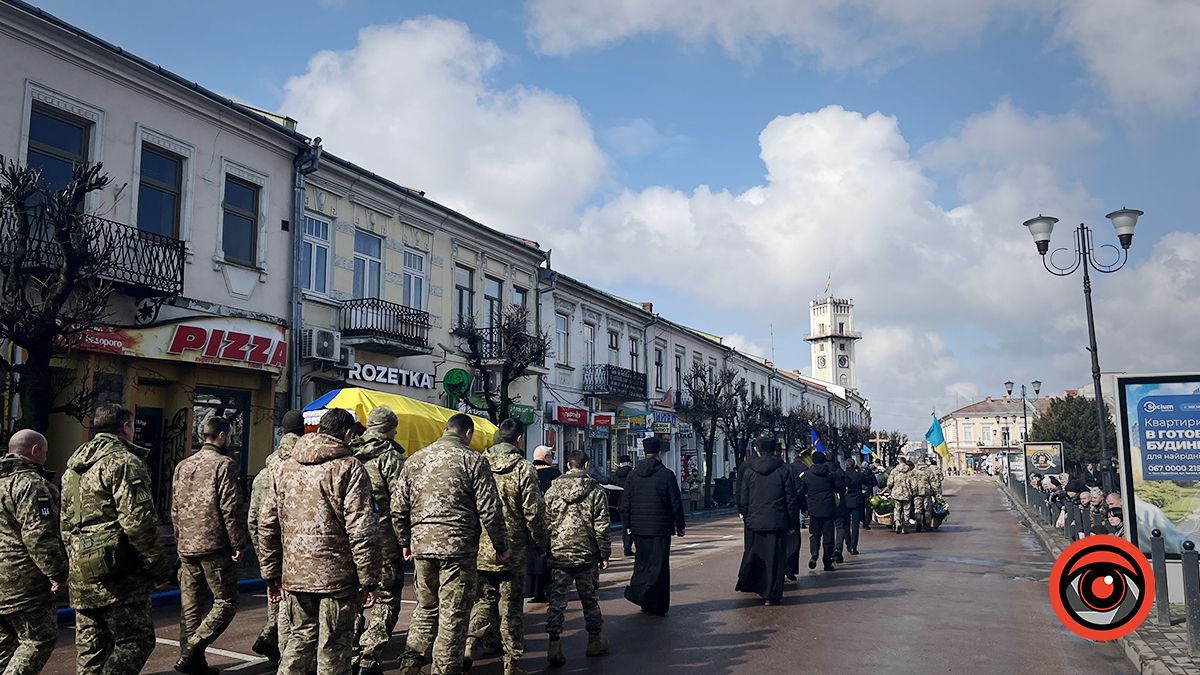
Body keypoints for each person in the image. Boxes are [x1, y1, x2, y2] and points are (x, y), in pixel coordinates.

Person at [259, 408, 381, 674]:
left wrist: (271, 574)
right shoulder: (348, 468)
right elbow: (361, 528)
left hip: (295, 573)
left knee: (300, 638)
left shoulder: (284, 468)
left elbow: (267, 523)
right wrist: (369, 579)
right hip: (336, 577)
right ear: (347, 434)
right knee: (334, 646)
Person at [393, 414, 509, 675]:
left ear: (446, 430)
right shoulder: (473, 460)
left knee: (426, 607)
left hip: (422, 546)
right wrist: (501, 545)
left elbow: (399, 507)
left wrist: (405, 541)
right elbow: (490, 509)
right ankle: (444, 670)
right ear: (467, 434)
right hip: (458, 548)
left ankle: (410, 663)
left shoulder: (415, 460)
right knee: (453, 615)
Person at [61, 404, 173, 675]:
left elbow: (65, 523)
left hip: (81, 570)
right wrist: (158, 568)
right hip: (120, 575)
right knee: (136, 641)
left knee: (91, 651)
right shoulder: (124, 462)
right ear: (125, 427)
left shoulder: (73, 469)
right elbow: (139, 523)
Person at [466, 419, 547, 675]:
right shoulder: (524, 468)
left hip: (480, 544)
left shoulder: (478, 463)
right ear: (519, 440)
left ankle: (470, 642)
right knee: (511, 607)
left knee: (483, 600)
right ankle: (511, 662)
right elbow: (533, 511)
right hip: (513, 548)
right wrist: (540, 543)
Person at [171, 416, 249, 675]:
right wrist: (238, 542)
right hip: (214, 545)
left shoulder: (183, 465)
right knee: (226, 602)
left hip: (187, 545)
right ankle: (193, 649)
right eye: (231, 436)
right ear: (223, 436)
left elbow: (175, 509)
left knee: (191, 606)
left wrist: (179, 538)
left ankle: (192, 659)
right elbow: (230, 507)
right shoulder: (224, 464)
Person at [0, 430, 67, 675]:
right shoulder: (31, 485)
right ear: (36, 451)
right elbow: (40, 537)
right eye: (45, 453)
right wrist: (58, 574)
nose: (46, 459)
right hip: (22, 581)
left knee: (5, 645)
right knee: (38, 639)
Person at [351, 407, 407, 675]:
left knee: (354, 597)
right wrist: (405, 539)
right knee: (386, 597)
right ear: (390, 428)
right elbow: (400, 504)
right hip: (383, 540)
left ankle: (349, 651)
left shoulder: (348, 454)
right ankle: (369, 657)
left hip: (351, 539)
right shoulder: (391, 458)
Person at [544, 451, 612, 666]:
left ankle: (554, 643)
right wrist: (604, 553)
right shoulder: (596, 490)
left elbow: (545, 520)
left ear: (567, 465)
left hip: (560, 552)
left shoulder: (553, 489)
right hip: (586, 554)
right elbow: (601, 526)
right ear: (587, 465)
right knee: (589, 598)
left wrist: (545, 546)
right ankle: (594, 640)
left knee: (557, 600)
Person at [247, 409, 304, 663]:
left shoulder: (265, 471)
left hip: (270, 543)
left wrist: (262, 552)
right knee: (294, 609)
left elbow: (253, 518)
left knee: (275, 595)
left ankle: (271, 638)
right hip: (296, 545)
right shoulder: (303, 465)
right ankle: (285, 653)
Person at [620, 437, 685, 616]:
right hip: (661, 528)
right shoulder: (666, 475)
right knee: (659, 566)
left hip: (639, 528)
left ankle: (641, 595)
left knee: (642, 563)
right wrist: (680, 525)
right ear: (659, 453)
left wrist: (628, 525)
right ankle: (655, 603)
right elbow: (676, 503)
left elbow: (626, 503)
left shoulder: (633, 474)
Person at [735, 439, 799, 606]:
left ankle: (758, 586)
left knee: (758, 555)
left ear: (758, 450)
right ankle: (772, 594)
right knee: (775, 558)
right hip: (777, 520)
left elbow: (744, 497)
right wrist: (792, 523)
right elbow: (790, 499)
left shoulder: (750, 470)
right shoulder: (784, 469)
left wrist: (746, 515)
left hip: (755, 520)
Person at [796, 451, 842, 571]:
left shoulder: (806, 475)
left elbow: (800, 492)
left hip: (814, 509)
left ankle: (814, 553)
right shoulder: (830, 475)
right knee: (829, 537)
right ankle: (827, 562)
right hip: (828, 509)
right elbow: (838, 488)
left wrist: (804, 506)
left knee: (814, 534)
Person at [529, 445, 561, 603]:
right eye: (551, 456)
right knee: (545, 556)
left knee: (531, 555)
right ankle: (544, 590)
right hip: (549, 521)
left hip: (528, 521)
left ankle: (533, 590)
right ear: (545, 458)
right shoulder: (554, 473)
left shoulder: (527, 470)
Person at [841, 459, 868, 555]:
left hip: (845, 502)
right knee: (855, 526)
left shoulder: (843, 475)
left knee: (846, 525)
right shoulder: (859, 475)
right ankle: (854, 547)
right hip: (857, 502)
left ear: (846, 465)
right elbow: (866, 482)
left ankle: (848, 545)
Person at [609, 455, 635, 556]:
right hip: (632, 503)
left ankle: (626, 548)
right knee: (634, 526)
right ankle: (633, 547)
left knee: (625, 526)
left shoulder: (615, 475)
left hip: (619, 504)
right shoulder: (632, 473)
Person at [886, 460, 914, 535]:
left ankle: (897, 523)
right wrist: (913, 492)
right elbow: (914, 484)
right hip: (907, 494)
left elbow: (889, 484)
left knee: (897, 509)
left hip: (896, 493)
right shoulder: (910, 472)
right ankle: (905, 526)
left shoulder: (894, 471)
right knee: (906, 511)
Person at [859, 460, 878, 531]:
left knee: (861, 508)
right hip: (868, 492)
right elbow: (875, 482)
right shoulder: (871, 473)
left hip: (860, 492)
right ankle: (867, 522)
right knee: (869, 508)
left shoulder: (859, 473)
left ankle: (863, 521)